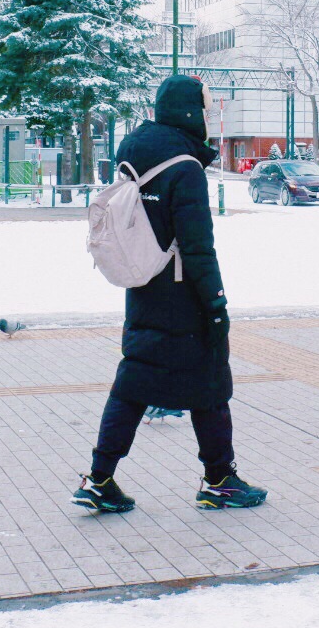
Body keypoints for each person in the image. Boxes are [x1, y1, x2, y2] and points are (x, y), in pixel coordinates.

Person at [72, 74, 267, 514]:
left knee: (134, 382)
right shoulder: (186, 167)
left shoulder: (133, 150)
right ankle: (219, 480)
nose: (209, 114)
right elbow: (198, 246)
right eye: (205, 107)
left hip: (143, 284)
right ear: (190, 112)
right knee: (211, 383)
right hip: (184, 296)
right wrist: (216, 302)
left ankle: (99, 479)